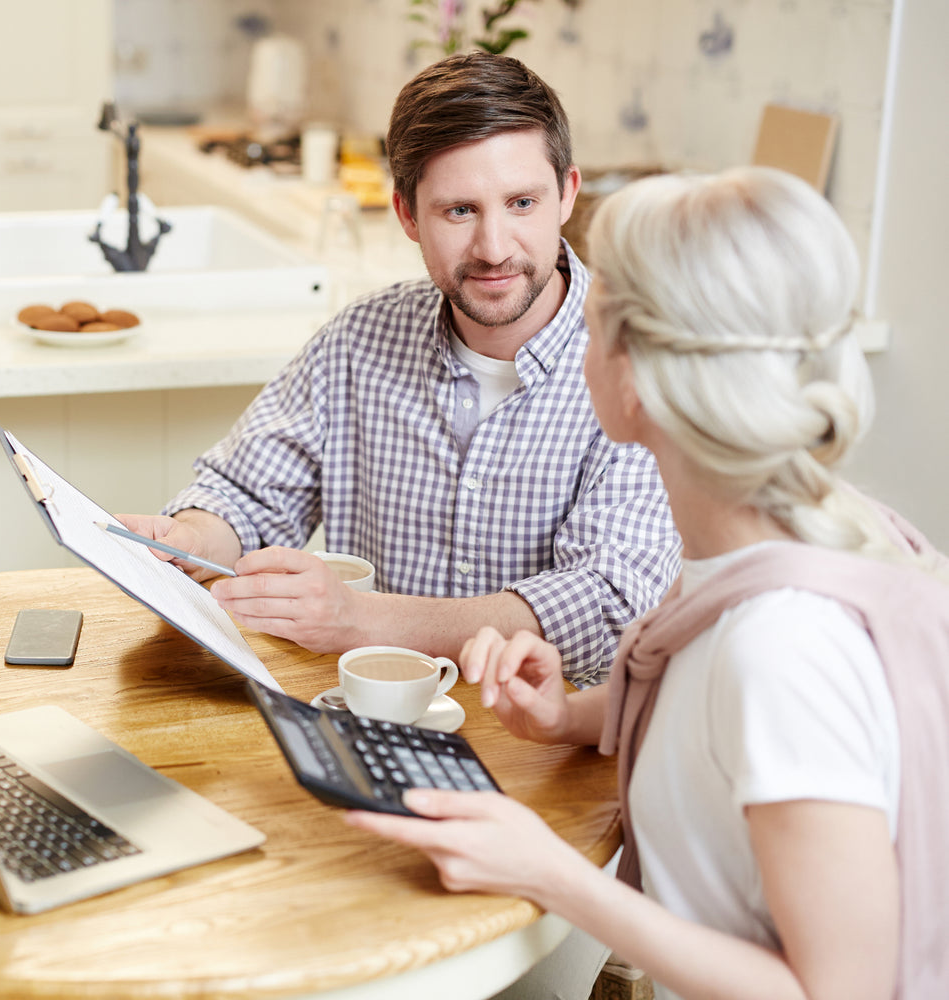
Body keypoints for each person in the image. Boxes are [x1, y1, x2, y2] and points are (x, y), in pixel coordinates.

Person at [348, 166, 949, 999]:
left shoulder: (783, 647)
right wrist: (575, 717)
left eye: (591, 327)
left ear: (636, 377)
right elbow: (717, 733)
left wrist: (553, 875)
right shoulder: (759, 547)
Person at [118, 53, 680, 685]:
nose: (495, 248)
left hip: (556, 753)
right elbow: (246, 496)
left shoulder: (642, 360)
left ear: (567, 195)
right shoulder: (360, 340)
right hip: (374, 729)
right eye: (459, 211)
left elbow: (608, 606)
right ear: (408, 215)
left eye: (522, 203)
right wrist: (190, 540)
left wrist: (361, 619)